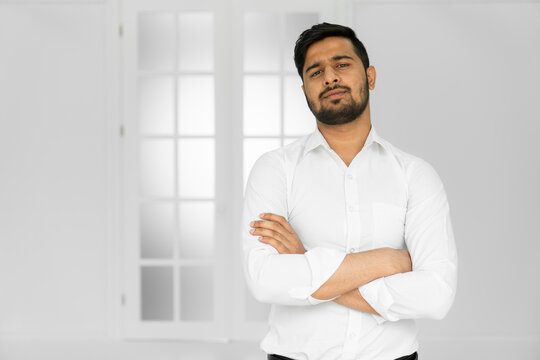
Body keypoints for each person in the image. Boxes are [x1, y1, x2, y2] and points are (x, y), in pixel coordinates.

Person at [242, 22, 458, 360]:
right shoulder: (275, 170)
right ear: (305, 92)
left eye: (342, 64)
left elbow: (436, 295)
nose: (330, 77)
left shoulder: (415, 175)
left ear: (370, 77)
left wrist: (305, 263)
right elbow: (265, 280)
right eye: (316, 72)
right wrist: (386, 261)